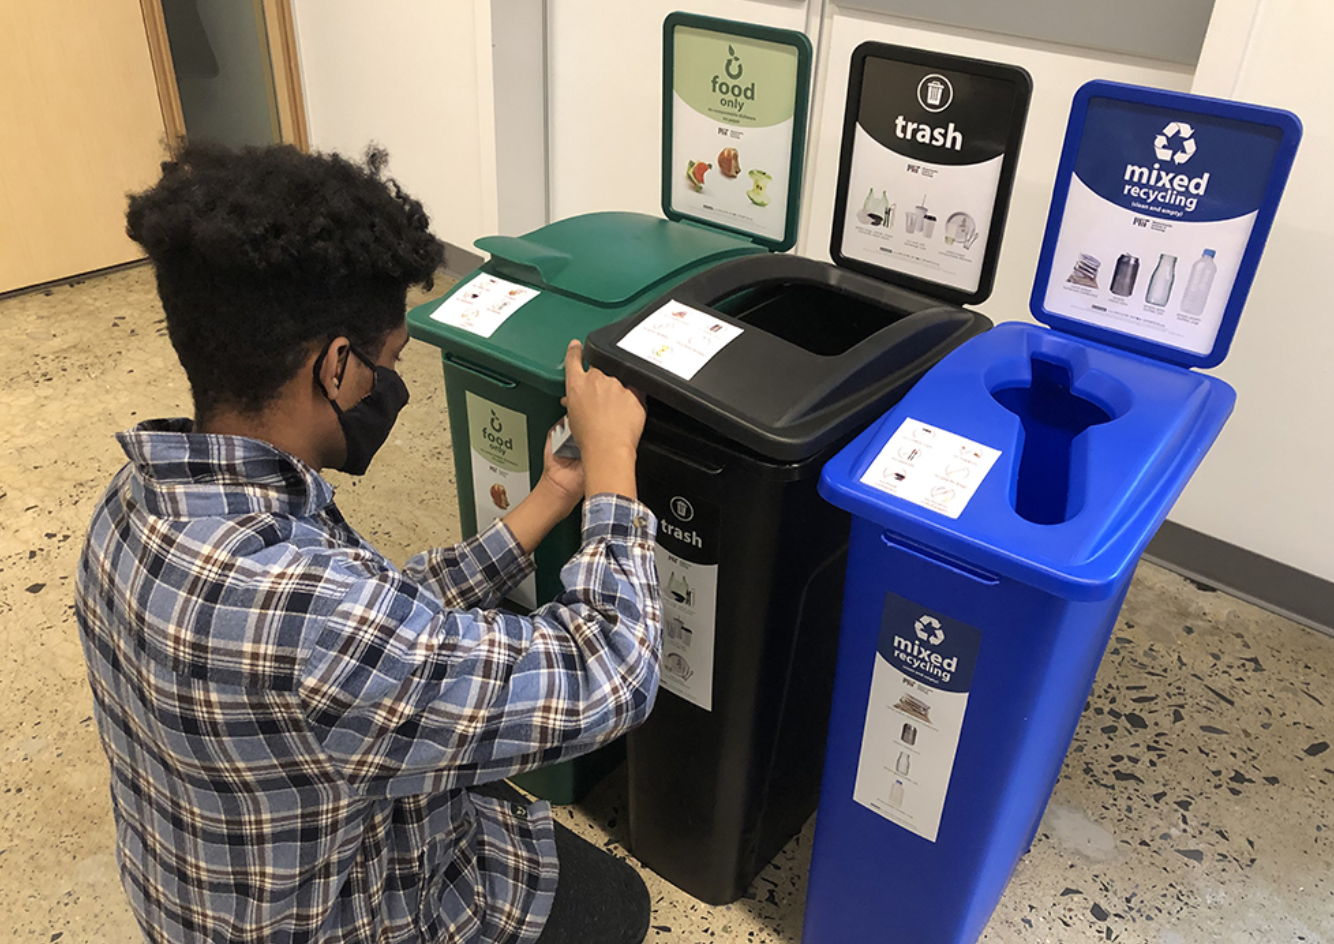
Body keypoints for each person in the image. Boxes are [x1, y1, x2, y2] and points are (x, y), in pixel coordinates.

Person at [74, 142, 661, 944]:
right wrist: (616, 468)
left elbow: (380, 622)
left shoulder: (135, 503)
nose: (391, 386)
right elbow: (611, 673)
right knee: (616, 902)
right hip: (342, 918)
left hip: (211, 895)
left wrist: (553, 496)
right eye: (388, 363)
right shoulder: (311, 618)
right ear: (337, 366)